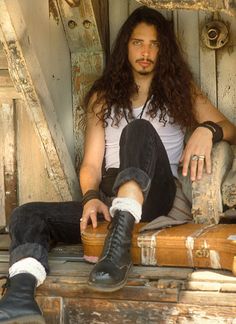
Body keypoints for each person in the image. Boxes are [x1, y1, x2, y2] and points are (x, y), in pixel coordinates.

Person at [0, 5, 236, 323]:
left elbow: (231, 129)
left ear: (163, 50)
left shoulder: (180, 91)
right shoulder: (103, 97)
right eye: (138, 42)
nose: (146, 52)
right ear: (126, 45)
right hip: (111, 198)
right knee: (27, 214)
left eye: (154, 44)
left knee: (137, 130)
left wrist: (208, 130)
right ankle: (20, 297)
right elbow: (92, 165)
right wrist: (91, 197)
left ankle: (117, 250)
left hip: (159, 195)